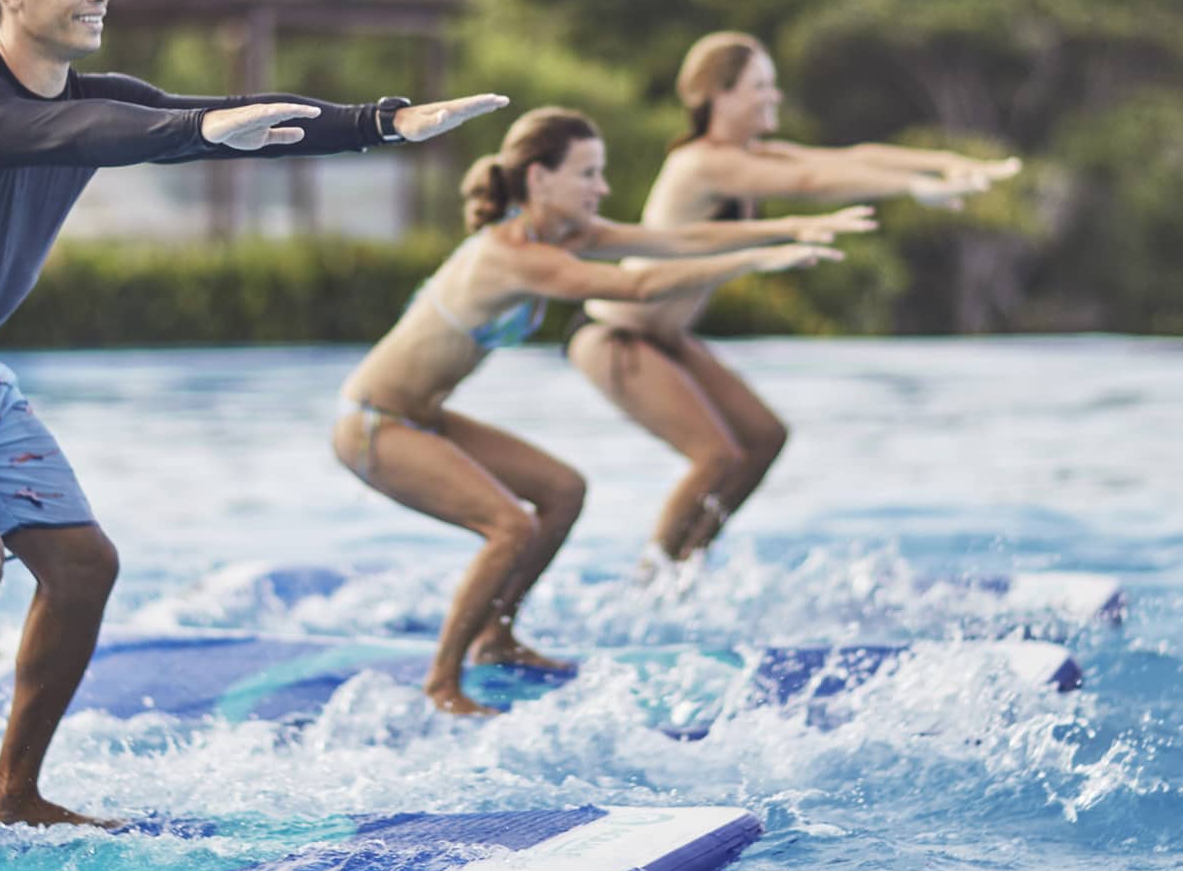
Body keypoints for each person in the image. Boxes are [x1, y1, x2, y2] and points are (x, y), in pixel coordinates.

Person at [0, 0, 506, 848]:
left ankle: (14, 792)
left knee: (83, 566)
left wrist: (387, 120)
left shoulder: (95, 92)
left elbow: (218, 115)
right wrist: (196, 135)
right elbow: (77, 138)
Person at [333, 105, 872, 714]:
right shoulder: (511, 255)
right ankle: (441, 683)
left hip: (422, 416)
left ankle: (496, 636)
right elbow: (638, 286)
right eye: (588, 174)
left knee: (563, 491)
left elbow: (676, 241)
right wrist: (757, 261)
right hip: (374, 424)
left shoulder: (561, 235)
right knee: (510, 526)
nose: (602, 188)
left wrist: (797, 227)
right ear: (539, 180)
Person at [566, 30, 1022, 579]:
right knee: (716, 456)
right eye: (761, 86)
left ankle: (683, 572)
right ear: (719, 95)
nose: (773, 97)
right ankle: (647, 584)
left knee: (762, 438)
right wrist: (910, 189)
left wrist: (942, 165)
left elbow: (854, 157)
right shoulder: (702, 165)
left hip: (666, 339)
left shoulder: (746, 154)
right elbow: (810, 181)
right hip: (616, 338)